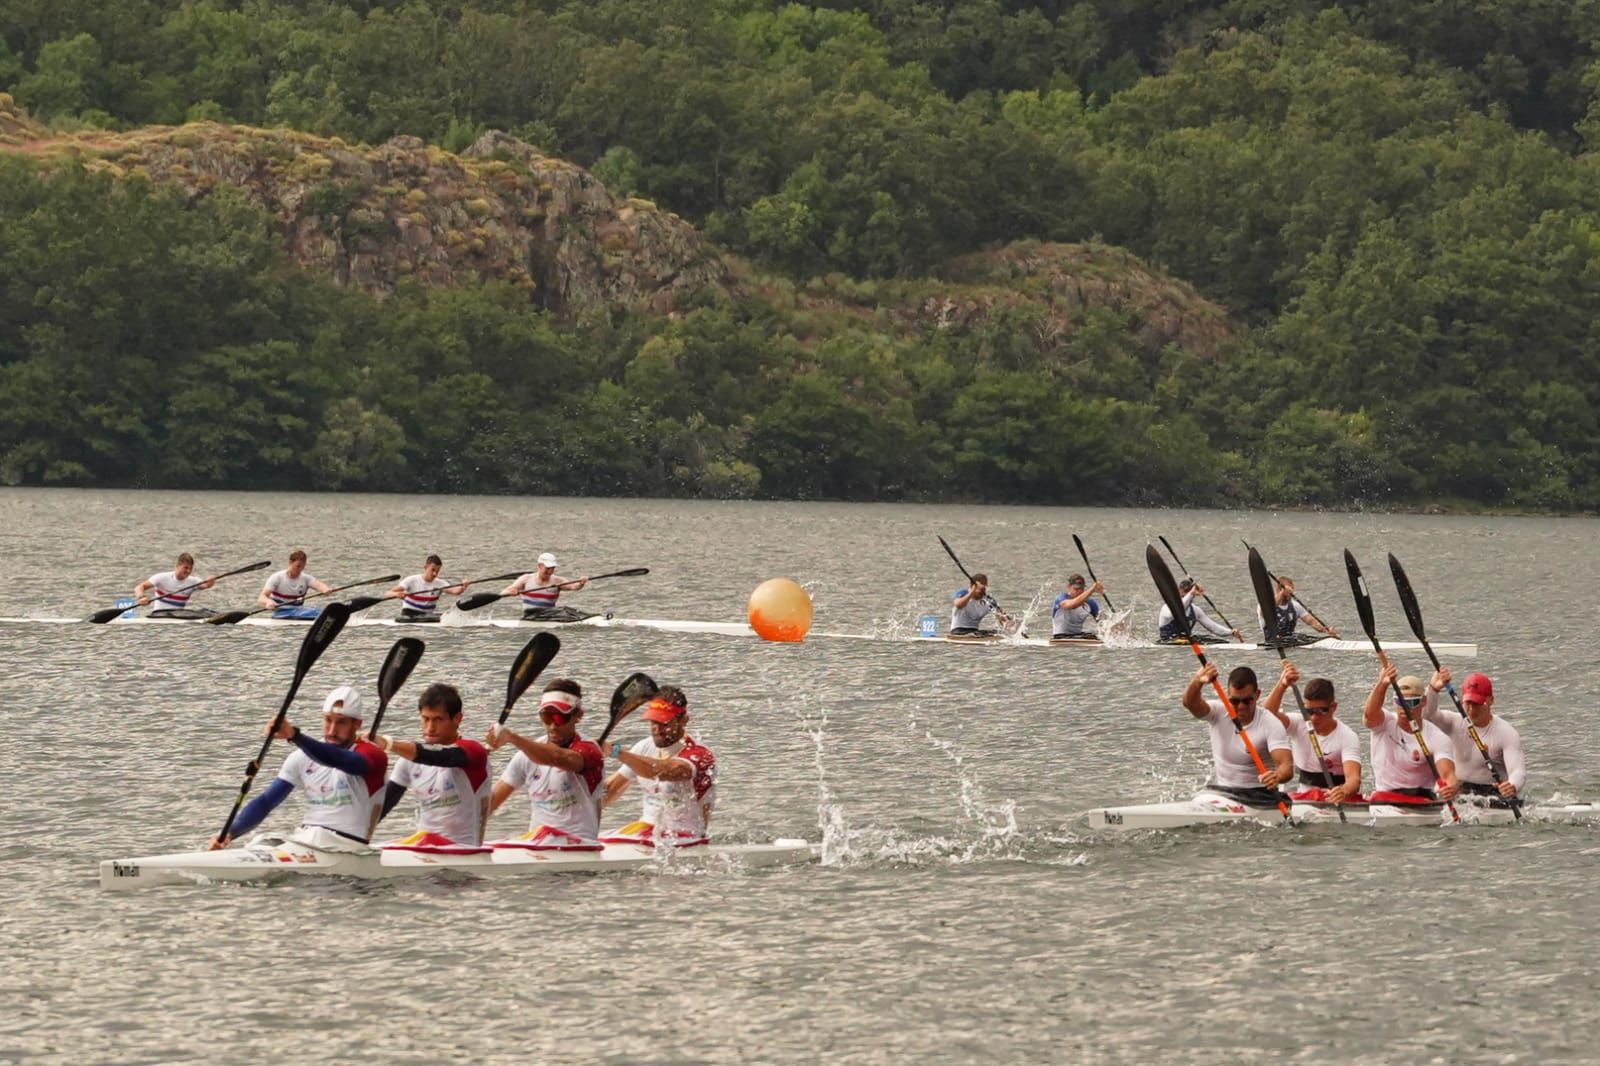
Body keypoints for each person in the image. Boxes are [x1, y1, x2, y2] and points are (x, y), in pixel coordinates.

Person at [208, 685, 388, 849]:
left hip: (347, 846)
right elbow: (266, 802)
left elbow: (339, 760)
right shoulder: (301, 757)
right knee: (260, 842)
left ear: (357, 724)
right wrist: (230, 833)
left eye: (340, 722)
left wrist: (294, 735)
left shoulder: (373, 756)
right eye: (327, 720)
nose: (332, 730)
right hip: (307, 840)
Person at [484, 680, 605, 848]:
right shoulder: (525, 756)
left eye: (560, 717)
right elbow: (492, 802)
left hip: (580, 847)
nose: (553, 726)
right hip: (538, 844)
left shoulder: (591, 751)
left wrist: (512, 738)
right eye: (547, 717)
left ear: (578, 716)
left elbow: (556, 758)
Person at [372, 682, 491, 846]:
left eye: (438, 720)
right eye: (425, 719)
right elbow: (384, 805)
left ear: (457, 719)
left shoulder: (474, 752)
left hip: (463, 850)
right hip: (424, 847)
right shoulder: (408, 761)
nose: (430, 728)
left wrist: (388, 743)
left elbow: (440, 756)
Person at [600, 686, 717, 845]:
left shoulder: (700, 755)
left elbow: (661, 770)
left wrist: (615, 752)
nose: (657, 729)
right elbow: (609, 790)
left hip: (686, 836)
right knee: (595, 839)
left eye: (664, 722)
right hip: (646, 830)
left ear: (683, 720)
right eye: (653, 721)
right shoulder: (644, 746)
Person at [1181, 663, 1294, 806]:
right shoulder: (1218, 713)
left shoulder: (1270, 723)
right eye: (1234, 701)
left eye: (1247, 700)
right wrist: (1197, 681)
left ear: (1257, 695)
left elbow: (1286, 765)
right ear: (1228, 696)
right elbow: (1189, 703)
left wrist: (1277, 776)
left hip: (1258, 795)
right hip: (1223, 792)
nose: (1241, 706)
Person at [1261, 661, 1362, 804]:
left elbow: (1354, 780)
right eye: (1309, 711)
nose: (1314, 717)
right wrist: (1282, 685)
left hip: (1335, 799)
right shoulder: (1298, 724)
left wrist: (1343, 790)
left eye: (1321, 711)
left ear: (1333, 707)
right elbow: (1267, 715)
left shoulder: (1347, 737)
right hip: (1306, 798)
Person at [1421, 668, 1524, 804]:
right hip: (1458, 790)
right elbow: (1427, 717)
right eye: (1468, 703)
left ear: (1491, 700)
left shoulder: (1506, 733)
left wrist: (1512, 785)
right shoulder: (1453, 722)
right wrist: (1433, 690)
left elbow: (1518, 771)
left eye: (1477, 703)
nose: (1471, 709)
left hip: (1492, 794)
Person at [1361, 664, 1458, 804]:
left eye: (1412, 702)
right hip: (1384, 797)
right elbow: (1369, 715)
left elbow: (1448, 774)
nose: (1405, 708)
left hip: (1421, 799)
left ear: (1424, 702)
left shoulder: (1437, 737)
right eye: (1400, 701)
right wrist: (1382, 684)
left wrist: (1451, 786)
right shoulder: (1383, 724)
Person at [499, 553, 592, 623]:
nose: (550, 571)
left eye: (552, 568)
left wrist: (581, 583)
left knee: (566, 610)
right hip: (530, 616)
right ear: (539, 566)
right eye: (547, 568)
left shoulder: (557, 581)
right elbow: (504, 592)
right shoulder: (525, 579)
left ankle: (590, 619)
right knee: (564, 610)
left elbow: (574, 587)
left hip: (550, 615)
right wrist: (511, 592)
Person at [1257, 575, 1338, 644]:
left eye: (1292, 590)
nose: (1291, 593)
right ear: (1280, 589)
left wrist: (1326, 630)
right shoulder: (1263, 605)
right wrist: (1282, 593)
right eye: (1289, 590)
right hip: (1272, 643)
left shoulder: (1295, 606)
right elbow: (1269, 609)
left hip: (1291, 640)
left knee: (1304, 637)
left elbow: (1312, 622)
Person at [386, 555, 466, 623]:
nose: (435, 574)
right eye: (433, 570)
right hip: (409, 615)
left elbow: (455, 591)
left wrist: (463, 586)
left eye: (437, 571)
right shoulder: (411, 580)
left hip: (427, 616)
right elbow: (387, 593)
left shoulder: (440, 583)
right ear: (425, 567)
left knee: (450, 615)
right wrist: (396, 594)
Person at [1158, 578, 1241, 644]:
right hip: (1168, 641)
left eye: (1188, 591)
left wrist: (1230, 632)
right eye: (1185, 592)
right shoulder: (1167, 607)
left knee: (1221, 642)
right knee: (1191, 640)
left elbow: (1213, 627)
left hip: (1187, 641)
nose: (1186, 594)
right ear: (1179, 592)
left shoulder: (1195, 610)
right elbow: (1179, 610)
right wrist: (1191, 593)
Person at [134, 553, 216, 618]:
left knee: (204, 611)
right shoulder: (161, 577)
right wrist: (141, 597)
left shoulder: (193, 581)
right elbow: (139, 587)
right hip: (159, 614)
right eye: (186, 568)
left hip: (179, 615)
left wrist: (211, 581)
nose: (188, 571)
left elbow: (206, 585)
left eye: (190, 569)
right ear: (177, 565)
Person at [258, 550, 334, 620]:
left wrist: (326, 589)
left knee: (318, 610)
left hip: (298, 611)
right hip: (281, 612)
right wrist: (268, 602)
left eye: (303, 566)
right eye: (298, 566)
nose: (300, 569)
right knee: (315, 612)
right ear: (290, 562)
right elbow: (261, 597)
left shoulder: (306, 578)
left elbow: (319, 586)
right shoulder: (277, 577)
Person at [950, 573, 1011, 637]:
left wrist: (1007, 624)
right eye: (981, 589)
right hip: (958, 631)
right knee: (978, 634)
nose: (983, 592)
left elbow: (1001, 616)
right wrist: (972, 591)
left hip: (974, 631)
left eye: (984, 588)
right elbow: (958, 605)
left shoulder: (988, 599)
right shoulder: (963, 592)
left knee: (999, 633)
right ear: (972, 586)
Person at [1050, 573, 1102, 641]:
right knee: (1090, 637)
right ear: (1069, 587)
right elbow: (1073, 605)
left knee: (1094, 635)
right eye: (1076, 589)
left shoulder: (1090, 603)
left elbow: (1102, 623)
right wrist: (1092, 589)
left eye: (1081, 588)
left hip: (1077, 636)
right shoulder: (1061, 598)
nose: (1079, 591)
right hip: (1060, 637)